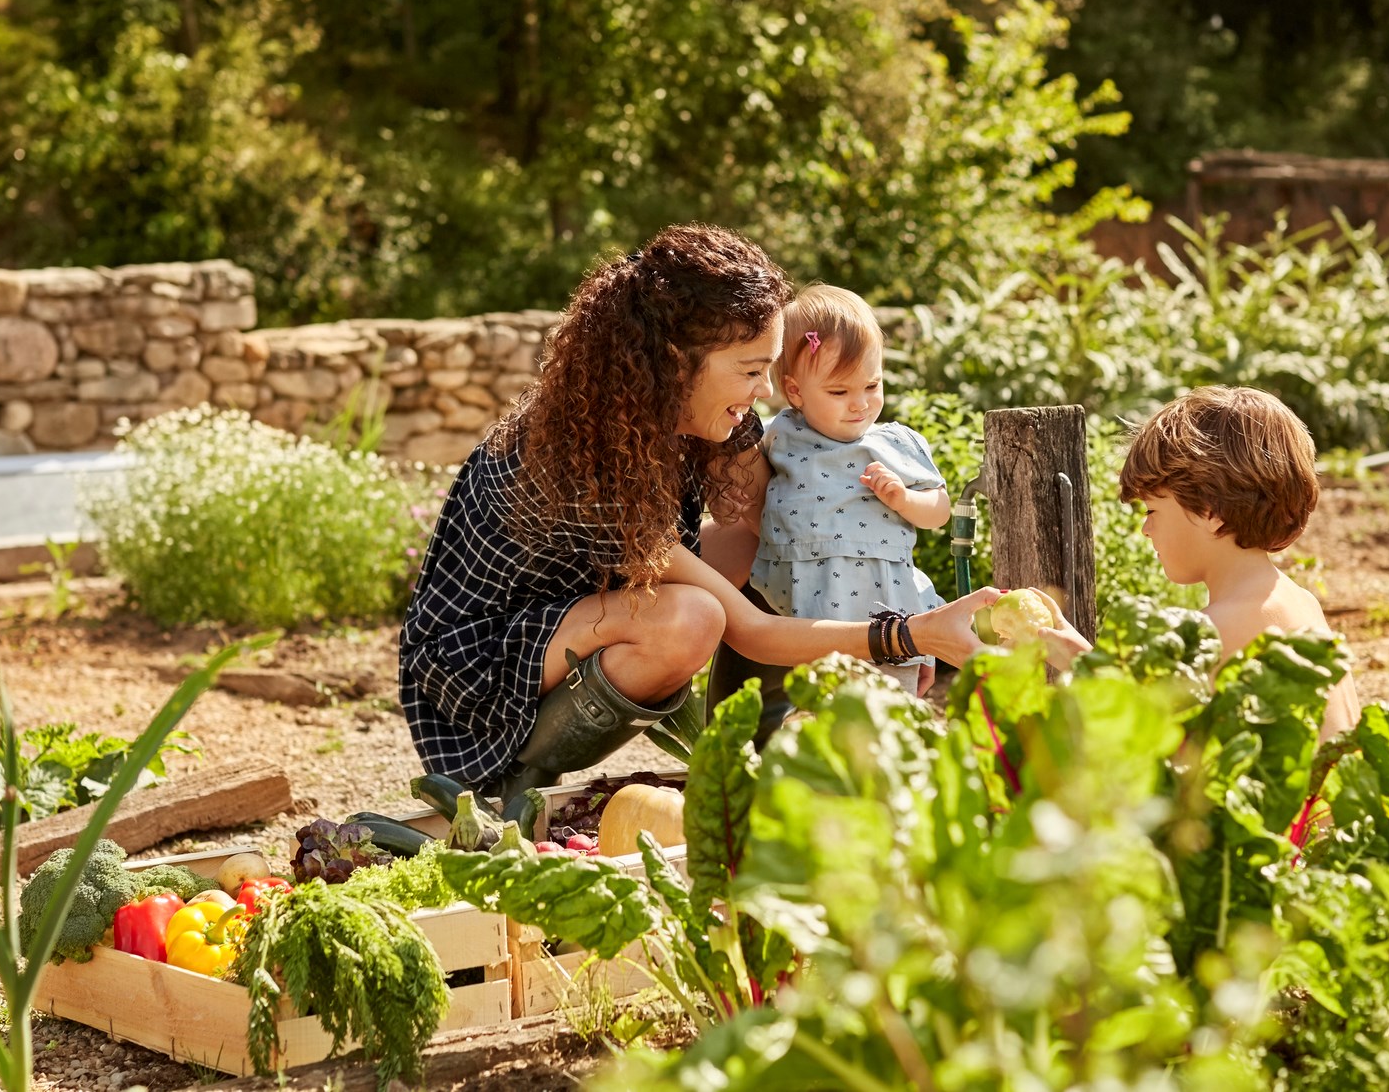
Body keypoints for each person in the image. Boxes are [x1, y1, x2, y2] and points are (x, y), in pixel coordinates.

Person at [398, 225, 1067, 803]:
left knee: (760, 536)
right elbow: (744, 627)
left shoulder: (685, 414)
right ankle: (517, 781)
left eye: (772, 371)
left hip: (573, 605)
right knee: (693, 618)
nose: (765, 392)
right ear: (671, 364)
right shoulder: (585, 458)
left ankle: (759, 732)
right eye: (751, 371)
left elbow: (767, 520)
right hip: (472, 671)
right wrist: (910, 633)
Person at [1117, 385, 1362, 738]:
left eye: (1153, 509)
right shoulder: (1298, 600)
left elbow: (1125, 717)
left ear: (1209, 511)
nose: (1146, 528)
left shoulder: (1212, 632)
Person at [748, 285, 951, 694]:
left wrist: (904, 499)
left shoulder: (894, 443)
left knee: (892, 702)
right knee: (814, 703)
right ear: (795, 391)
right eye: (839, 392)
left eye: (871, 386)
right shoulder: (780, 434)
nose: (859, 403)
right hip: (807, 603)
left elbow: (940, 509)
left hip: (884, 594)